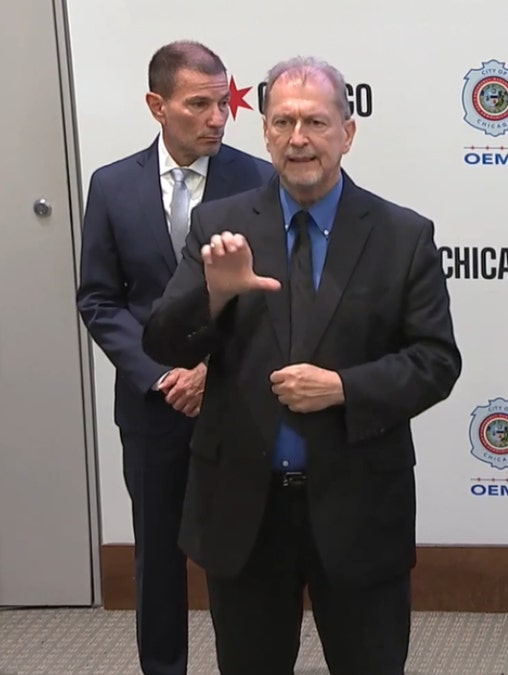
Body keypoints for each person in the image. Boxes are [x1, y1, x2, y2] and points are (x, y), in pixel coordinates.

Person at [141, 55, 461, 674]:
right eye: (282, 122)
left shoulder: (402, 235)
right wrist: (215, 293)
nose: (298, 139)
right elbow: (164, 343)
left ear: (348, 132)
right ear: (262, 132)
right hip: (245, 515)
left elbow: (436, 360)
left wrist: (344, 387)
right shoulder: (219, 226)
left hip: (360, 507)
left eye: (316, 122)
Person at [75, 40, 273, 675]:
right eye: (199, 105)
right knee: (157, 558)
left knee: (237, 555)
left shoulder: (259, 179)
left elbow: (273, 298)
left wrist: (209, 370)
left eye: (223, 103)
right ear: (157, 106)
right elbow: (101, 301)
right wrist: (162, 375)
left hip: (234, 400)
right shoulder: (111, 185)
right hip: (152, 406)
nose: (218, 118)